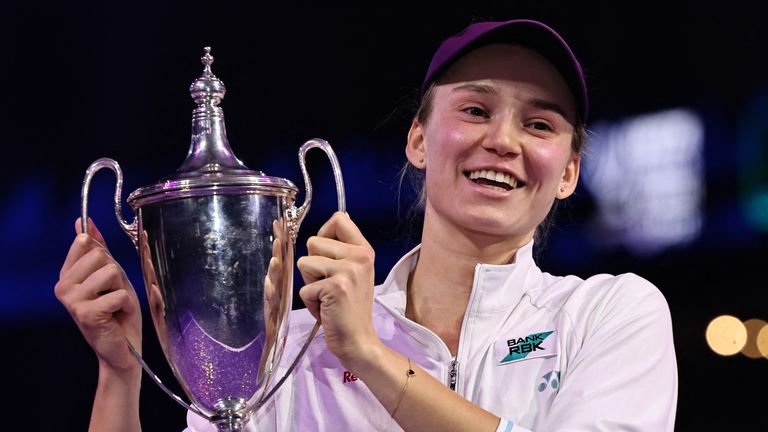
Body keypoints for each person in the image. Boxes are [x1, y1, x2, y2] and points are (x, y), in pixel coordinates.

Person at [55, 19, 677, 432]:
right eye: (475, 109)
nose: (502, 141)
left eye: (540, 125)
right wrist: (119, 373)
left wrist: (368, 354)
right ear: (418, 141)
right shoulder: (285, 348)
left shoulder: (609, 314)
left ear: (568, 172)